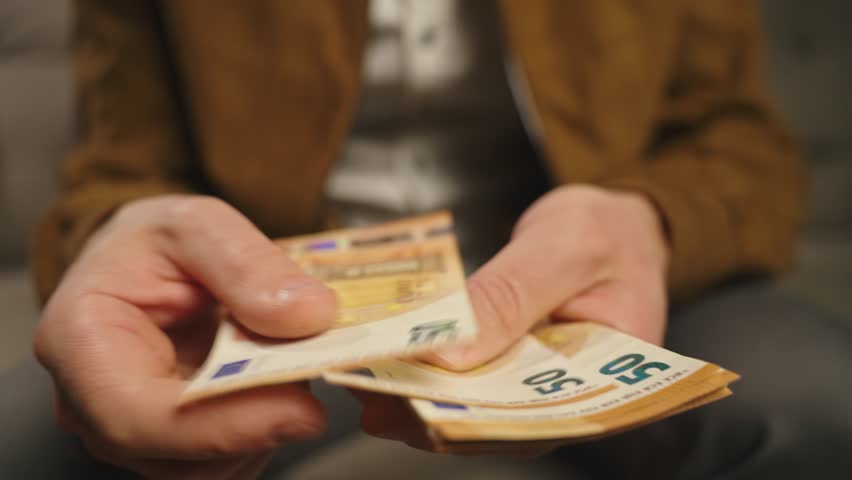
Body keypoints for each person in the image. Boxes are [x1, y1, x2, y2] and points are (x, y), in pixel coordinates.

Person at [4, 0, 851, 478]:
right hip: (279, 307)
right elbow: (118, 171)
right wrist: (116, 235)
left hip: (602, 280)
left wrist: (650, 220)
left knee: (822, 403)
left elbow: (744, 147)